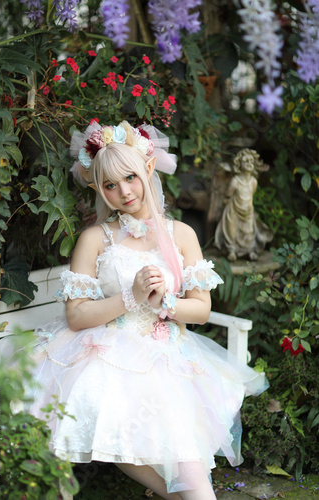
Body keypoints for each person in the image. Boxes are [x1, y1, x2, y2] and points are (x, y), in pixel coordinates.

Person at [26, 122, 269, 500]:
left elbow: (201, 310)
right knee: (116, 422)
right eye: (110, 185)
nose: (124, 192)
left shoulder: (182, 234)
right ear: (97, 189)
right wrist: (132, 296)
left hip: (167, 357)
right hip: (106, 352)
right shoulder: (94, 239)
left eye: (130, 178)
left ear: (149, 170)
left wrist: (165, 304)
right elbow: (76, 316)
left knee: (196, 482)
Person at [215, 148, 273, 261]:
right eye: (246, 161)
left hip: (248, 210)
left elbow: (251, 194)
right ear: (239, 164)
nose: (249, 164)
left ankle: (250, 250)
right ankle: (232, 250)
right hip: (234, 210)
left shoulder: (253, 182)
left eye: (251, 161)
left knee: (249, 230)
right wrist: (225, 202)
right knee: (232, 230)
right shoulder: (235, 181)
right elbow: (228, 194)